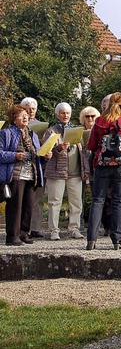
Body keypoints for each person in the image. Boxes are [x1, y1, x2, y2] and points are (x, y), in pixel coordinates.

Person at [86, 93, 121, 250]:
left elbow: (91, 146)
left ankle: (91, 240)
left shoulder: (100, 121)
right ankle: (117, 240)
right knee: (118, 201)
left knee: (98, 200)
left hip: (101, 164)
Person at [0, 105, 48, 245]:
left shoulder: (32, 134)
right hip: (15, 174)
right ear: (14, 119)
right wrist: (15, 155)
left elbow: (37, 154)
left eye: (26, 115)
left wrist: (45, 156)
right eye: (21, 115)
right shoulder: (6, 133)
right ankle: (12, 236)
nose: (25, 117)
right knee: (15, 205)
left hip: (31, 174)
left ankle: (23, 233)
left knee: (28, 205)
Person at [42, 102, 86, 240]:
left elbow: (82, 152)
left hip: (75, 172)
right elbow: (46, 151)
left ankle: (74, 228)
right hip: (57, 171)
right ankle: (54, 230)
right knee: (55, 202)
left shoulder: (77, 130)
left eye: (67, 113)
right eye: (62, 113)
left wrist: (86, 169)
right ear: (57, 115)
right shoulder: (51, 131)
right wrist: (58, 148)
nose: (65, 115)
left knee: (76, 202)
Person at [20, 97, 46, 239]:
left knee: (37, 199)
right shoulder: (16, 126)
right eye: (28, 108)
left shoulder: (41, 126)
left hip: (38, 166)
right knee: (22, 199)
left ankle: (35, 227)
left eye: (33, 108)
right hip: (22, 166)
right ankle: (23, 229)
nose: (31, 111)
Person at [78, 106, 100, 231]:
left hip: (95, 166)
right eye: (87, 116)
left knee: (96, 196)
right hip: (80, 167)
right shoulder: (78, 131)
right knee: (78, 197)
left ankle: (95, 225)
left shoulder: (100, 130)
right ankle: (79, 224)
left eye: (93, 116)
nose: (90, 118)